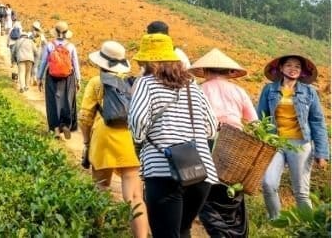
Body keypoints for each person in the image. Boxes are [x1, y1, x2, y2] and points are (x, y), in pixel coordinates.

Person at [128, 32, 218, 238]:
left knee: (165, 234)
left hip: (163, 170)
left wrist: (142, 138)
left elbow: (138, 123)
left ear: (149, 62)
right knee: (182, 230)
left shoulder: (146, 83)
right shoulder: (192, 85)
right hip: (200, 171)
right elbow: (212, 128)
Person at [79, 41, 149, 238]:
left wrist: (86, 142)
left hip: (103, 139)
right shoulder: (132, 83)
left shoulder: (96, 82)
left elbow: (85, 118)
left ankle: (99, 231)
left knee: (100, 188)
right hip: (128, 139)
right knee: (135, 196)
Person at [189, 48, 258, 237]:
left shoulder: (199, 89)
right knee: (232, 189)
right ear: (229, 72)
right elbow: (254, 122)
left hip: (209, 141)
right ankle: (234, 231)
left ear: (206, 71)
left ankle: (217, 230)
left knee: (209, 187)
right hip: (236, 142)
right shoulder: (239, 91)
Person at [257, 54, 329, 220]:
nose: (293, 69)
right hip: (275, 142)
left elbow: (318, 122)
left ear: (302, 71)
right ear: (281, 68)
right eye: (288, 65)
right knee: (268, 184)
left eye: (297, 66)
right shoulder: (269, 90)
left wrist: (322, 153)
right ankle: (276, 222)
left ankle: (308, 228)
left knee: (301, 192)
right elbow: (260, 116)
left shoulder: (309, 92)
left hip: (300, 144)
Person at [37, 21, 81, 139]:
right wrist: (78, 79)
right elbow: (75, 63)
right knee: (67, 100)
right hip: (68, 77)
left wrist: (39, 78)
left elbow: (43, 62)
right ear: (67, 33)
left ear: (55, 32)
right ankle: (66, 124)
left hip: (52, 77)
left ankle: (56, 128)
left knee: (52, 102)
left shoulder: (50, 45)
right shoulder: (71, 47)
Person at [29, 21, 47, 85]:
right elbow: (45, 44)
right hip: (38, 51)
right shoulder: (41, 35)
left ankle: (30, 79)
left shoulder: (30, 35)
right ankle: (35, 78)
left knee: (30, 65)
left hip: (31, 51)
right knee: (36, 66)